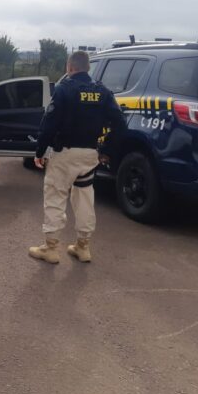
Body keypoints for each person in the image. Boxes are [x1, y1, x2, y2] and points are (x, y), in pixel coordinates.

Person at [29, 50, 126, 264]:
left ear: (70, 67)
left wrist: (39, 151)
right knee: (84, 198)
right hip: (90, 155)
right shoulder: (103, 91)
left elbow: (49, 123)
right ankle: (83, 247)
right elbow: (120, 123)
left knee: (55, 196)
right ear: (88, 68)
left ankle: (51, 248)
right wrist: (107, 151)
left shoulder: (65, 88)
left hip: (64, 154)